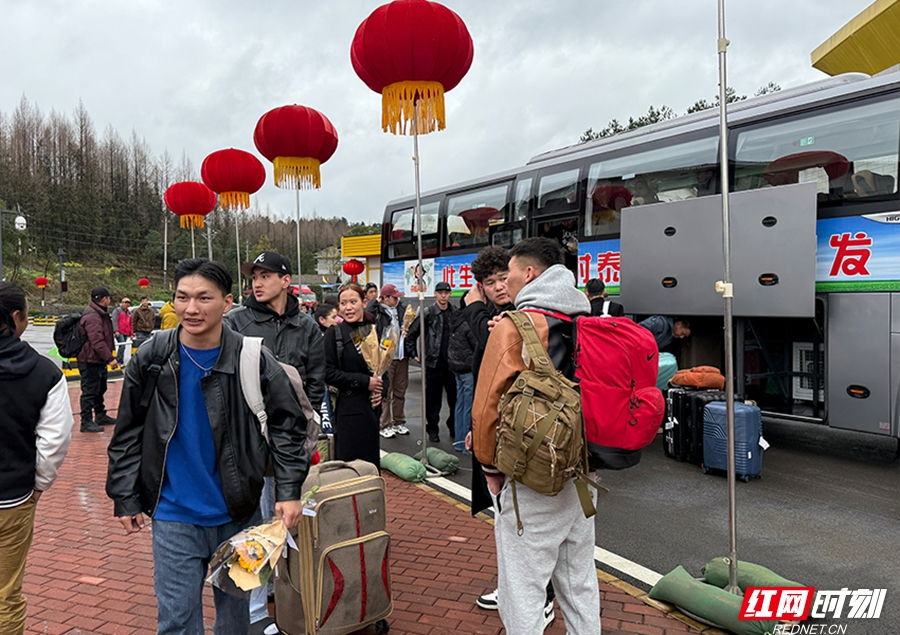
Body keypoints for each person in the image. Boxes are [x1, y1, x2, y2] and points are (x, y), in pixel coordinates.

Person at [107, 258, 309, 635]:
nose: (191, 308)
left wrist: (290, 489)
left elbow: (288, 427)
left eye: (204, 298)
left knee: (234, 621)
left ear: (227, 302)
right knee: (177, 621)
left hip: (239, 512)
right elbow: (128, 431)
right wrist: (124, 496)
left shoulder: (253, 358)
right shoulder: (152, 357)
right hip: (173, 515)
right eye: (182, 298)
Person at [472, 237, 600, 635]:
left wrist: (488, 466)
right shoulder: (591, 320)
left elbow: (487, 405)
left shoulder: (517, 326)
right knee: (579, 582)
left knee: (523, 588)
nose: (504, 282)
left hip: (531, 478)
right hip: (585, 475)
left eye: (508, 273)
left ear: (529, 274)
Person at [224, 251, 326, 635]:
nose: (257, 281)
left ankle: (279, 589)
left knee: (282, 514)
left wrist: (304, 428)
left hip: (289, 440)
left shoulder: (307, 326)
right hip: (247, 439)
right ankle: (251, 608)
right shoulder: (236, 321)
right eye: (254, 275)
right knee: (252, 520)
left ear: (286, 280)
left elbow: (314, 383)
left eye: (266, 275)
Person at [464, 245, 555, 624]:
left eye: (505, 277)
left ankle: (540, 599)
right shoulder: (500, 318)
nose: (501, 286)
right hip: (504, 433)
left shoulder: (527, 318)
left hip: (524, 439)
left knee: (526, 524)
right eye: (491, 282)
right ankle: (519, 587)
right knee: (511, 522)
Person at [0, 282, 75, 635]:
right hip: (12, 498)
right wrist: (39, 484)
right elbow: (55, 439)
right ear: (16, 318)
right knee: (5, 595)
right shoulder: (44, 372)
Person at [324, 284, 385, 467]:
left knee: (371, 466)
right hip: (347, 411)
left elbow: (383, 368)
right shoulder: (333, 333)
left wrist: (381, 388)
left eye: (353, 302)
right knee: (349, 468)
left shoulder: (372, 331)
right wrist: (365, 382)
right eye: (343, 303)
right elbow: (328, 373)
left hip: (371, 410)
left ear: (364, 303)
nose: (348, 307)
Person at [407, 280, 456, 443]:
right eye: (440, 293)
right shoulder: (428, 312)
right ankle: (432, 429)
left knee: (454, 399)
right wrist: (413, 352)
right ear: (435, 294)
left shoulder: (455, 312)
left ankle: (453, 426)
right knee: (433, 400)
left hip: (452, 364)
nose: (443, 296)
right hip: (433, 364)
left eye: (446, 293)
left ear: (450, 294)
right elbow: (411, 334)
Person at [76, 287, 119, 432]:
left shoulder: (99, 313)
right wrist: (110, 359)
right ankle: (86, 421)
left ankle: (100, 415)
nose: (110, 300)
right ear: (104, 299)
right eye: (108, 297)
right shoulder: (93, 316)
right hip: (89, 360)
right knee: (89, 391)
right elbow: (97, 342)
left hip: (96, 360)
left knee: (100, 388)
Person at [372, 284, 410, 439]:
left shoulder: (401, 310)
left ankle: (399, 421)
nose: (397, 299)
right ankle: (384, 424)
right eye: (394, 297)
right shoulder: (378, 312)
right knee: (386, 392)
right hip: (385, 358)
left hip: (401, 356)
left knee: (400, 390)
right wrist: (375, 301)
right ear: (385, 297)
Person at [447, 291, 476, 453]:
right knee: (468, 406)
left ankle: (459, 442)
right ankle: (466, 445)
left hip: (456, 368)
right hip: (467, 368)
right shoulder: (469, 322)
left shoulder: (455, 318)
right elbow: (477, 346)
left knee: (460, 404)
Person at [111, 297, 133, 363]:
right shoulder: (117, 311)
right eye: (125, 302)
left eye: (128, 303)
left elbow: (130, 323)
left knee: (123, 347)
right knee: (122, 346)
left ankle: (121, 361)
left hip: (126, 332)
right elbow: (114, 321)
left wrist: (131, 333)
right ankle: (118, 360)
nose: (127, 304)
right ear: (122, 303)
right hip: (120, 331)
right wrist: (116, 330)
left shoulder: (129, 313)